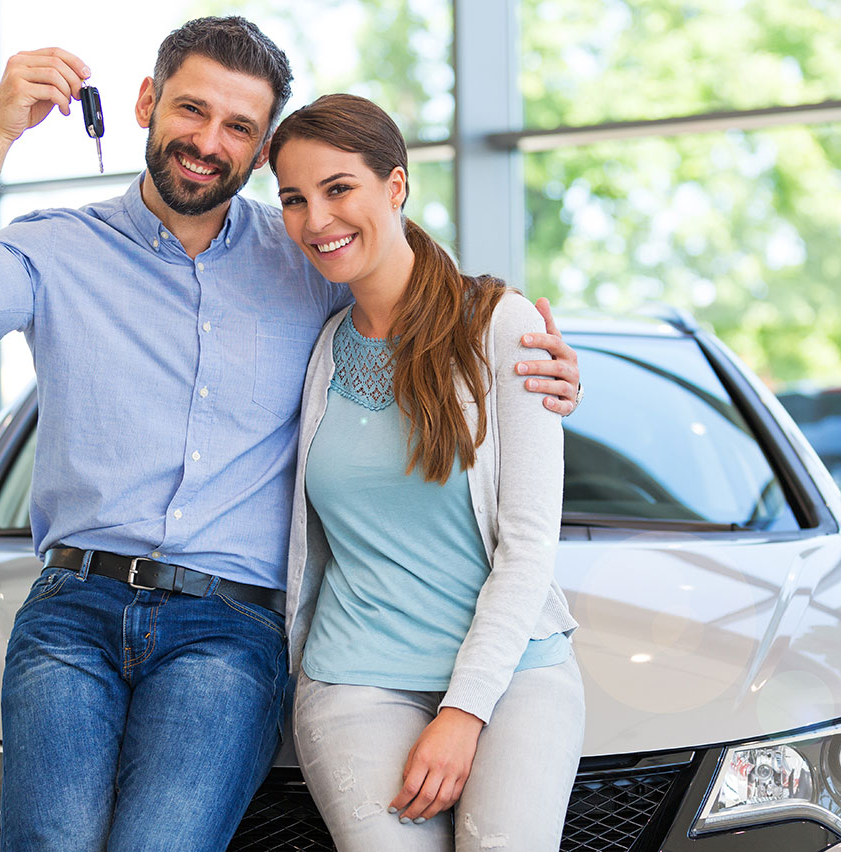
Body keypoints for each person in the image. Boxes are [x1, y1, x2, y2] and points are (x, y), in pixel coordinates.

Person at [0, 17, 581, 852]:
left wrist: (538, 362)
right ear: (146, 102)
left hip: (228, 625)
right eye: (191, 111)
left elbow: (421, 319)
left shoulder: (306, 261)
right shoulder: (56, 251)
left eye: (239, 127)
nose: (208, 142)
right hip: (72, 608)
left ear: (260, 144)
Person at [270, 93, 585, 852]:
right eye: (293, 199)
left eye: (339, 188)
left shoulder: (499, 326)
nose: (317, 220)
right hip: (354, 677)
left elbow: (529, 544)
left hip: (515, 677)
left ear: (397, 186)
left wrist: (463, 710)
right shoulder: (315, 350)